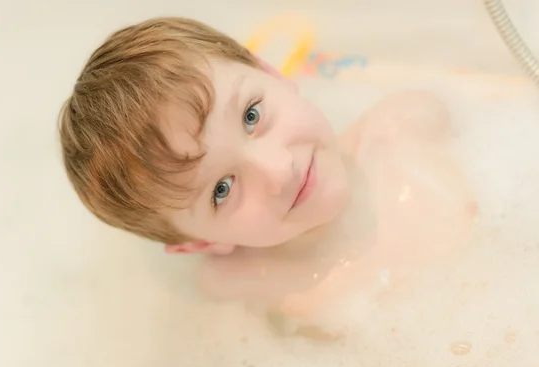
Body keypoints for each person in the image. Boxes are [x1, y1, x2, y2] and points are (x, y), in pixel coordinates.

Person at [58, 17, 477, 320]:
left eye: (251, 116)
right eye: (221, 189)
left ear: (272, 74)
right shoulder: (238, 282)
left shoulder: (411, 125)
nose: (279, 171)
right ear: (200, 244)